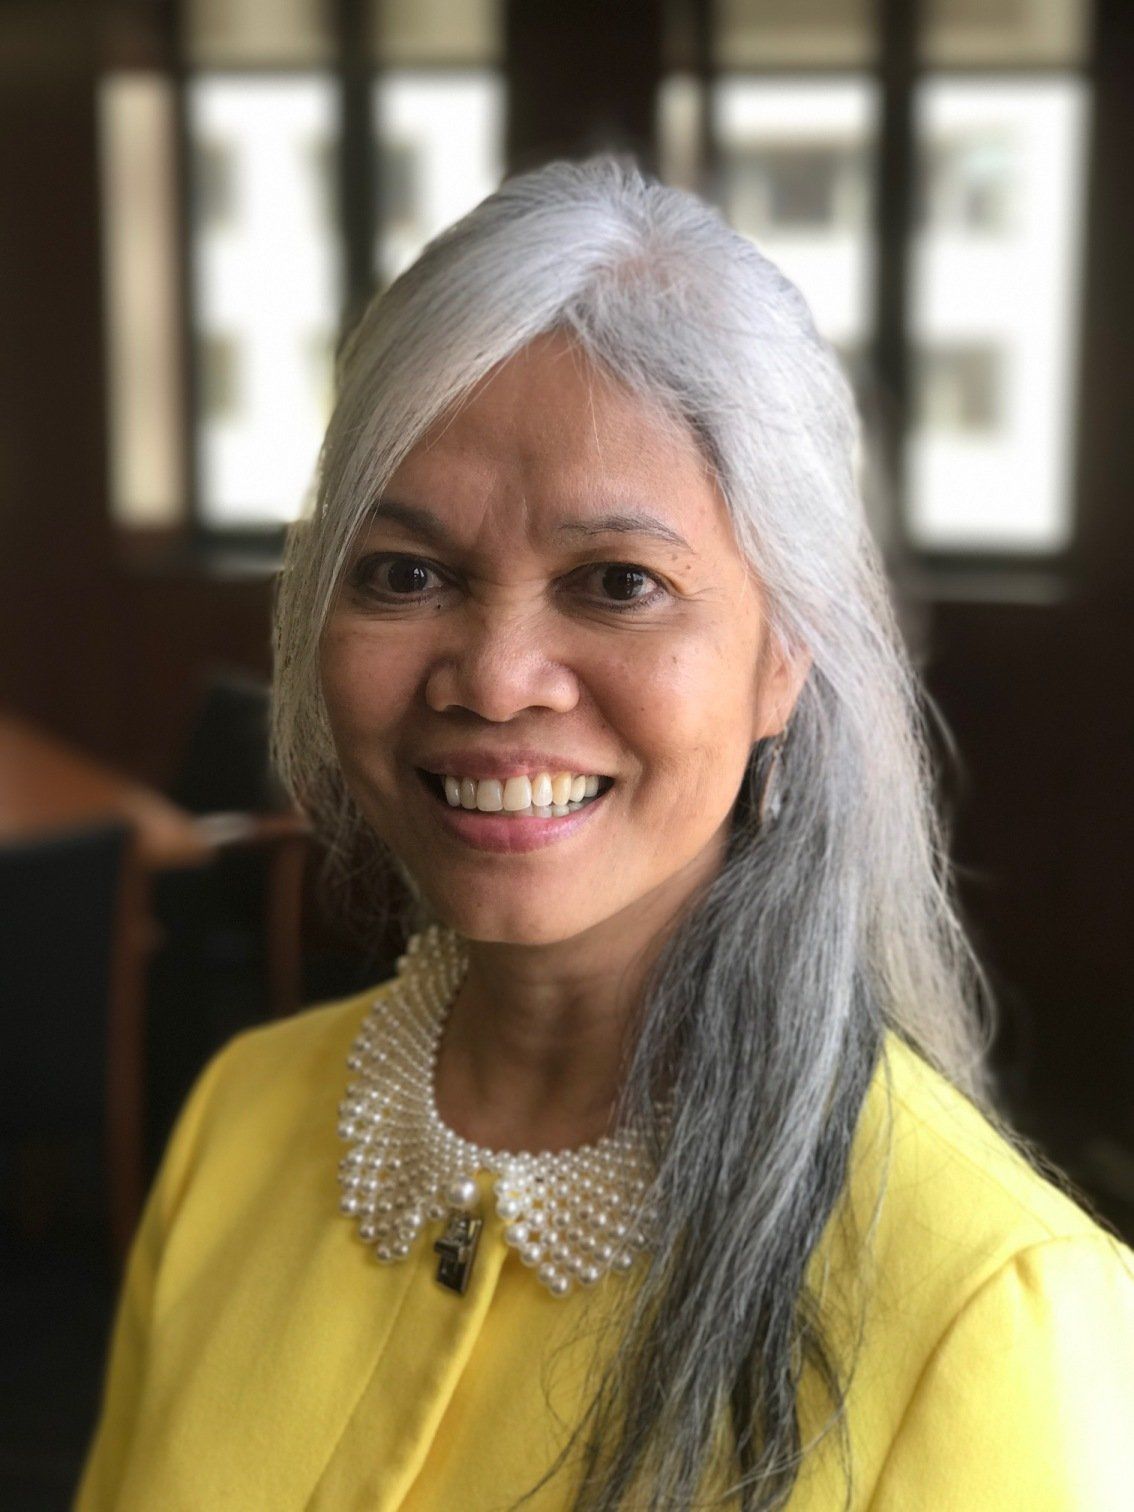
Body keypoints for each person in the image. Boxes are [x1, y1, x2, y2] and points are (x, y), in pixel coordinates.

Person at [76, 156, 1134, 1511]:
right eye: (407, 573)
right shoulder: (239, 1119)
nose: (495, 678)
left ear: (783, 658)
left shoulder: (990, 1309)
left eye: (618, 582)